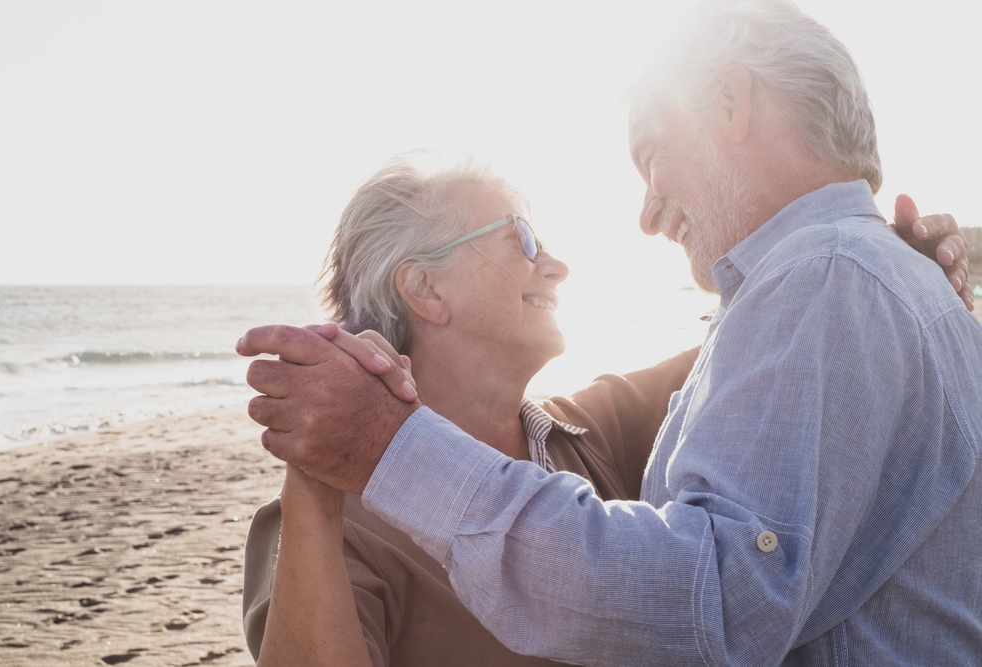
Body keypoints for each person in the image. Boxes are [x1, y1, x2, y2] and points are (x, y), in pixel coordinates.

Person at [238, 2, 982, 662]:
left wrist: (391, 448)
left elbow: (719, 597)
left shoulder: (824, 284)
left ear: (731, 103)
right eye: (522, 241)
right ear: (425, 287)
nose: (647, 211)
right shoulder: (826, 290)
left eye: (652, 153)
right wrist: (335, 456)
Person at [240, 153, 700, 666]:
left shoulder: (592, 433)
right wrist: (315, 476)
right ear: (426, 288)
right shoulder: (333, 522)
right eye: (523, 240)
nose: (557, 266)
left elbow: (750, 338)